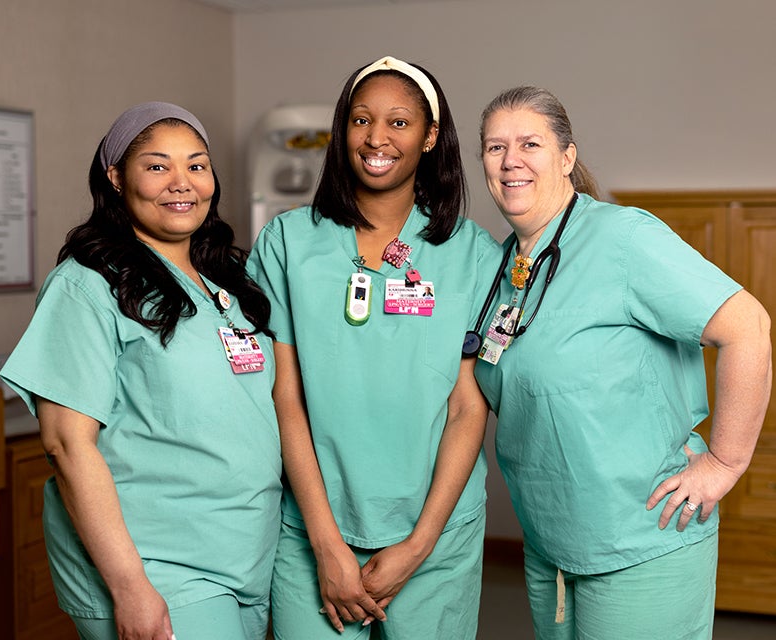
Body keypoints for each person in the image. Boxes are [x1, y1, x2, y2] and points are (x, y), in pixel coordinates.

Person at [472, 85, 772, 639]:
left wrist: (725, 463)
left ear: (566, 158)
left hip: (643, 537)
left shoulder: (623, 238)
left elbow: (748, 328)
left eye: (530, 143)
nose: (511, 160)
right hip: (552, 544)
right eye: (494, 147)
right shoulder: (506, 268)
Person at [0, 102, 282, 640]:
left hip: (244, 554)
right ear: (115, 178)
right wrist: (130, 586)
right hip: (158, 565)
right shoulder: (88, 285)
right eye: (157, 166)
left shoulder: (226, 283)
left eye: (197, 166)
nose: (182, 183)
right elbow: (67, 445)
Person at [248, 55, 501, 639]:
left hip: (435, 530)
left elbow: (468, 406)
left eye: (399, 122)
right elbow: (287, 400)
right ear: (342, 131)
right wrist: (326, 546)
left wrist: (419, 544)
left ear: (431, 137)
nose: (377, 138)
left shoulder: (472, 252)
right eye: (361, 120)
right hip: (314, 527)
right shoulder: (287, 242)